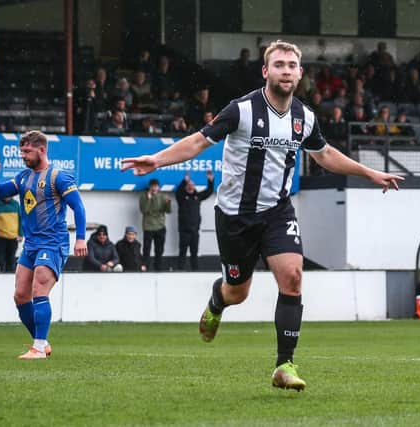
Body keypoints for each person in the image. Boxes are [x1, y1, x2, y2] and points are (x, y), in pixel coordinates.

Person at [121, 40, 403, 391]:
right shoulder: (240, 110)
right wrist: (157, 160)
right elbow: (198, 141)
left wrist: (370, 173)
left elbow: (325, 154)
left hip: (277, 212)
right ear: (266, 71)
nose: (286, 70)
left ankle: (285, 364)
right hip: (235, 217)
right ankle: (216, 301)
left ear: (300, 73)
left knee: (293, 277)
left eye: (292, 65)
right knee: (238, 292)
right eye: (279, 64)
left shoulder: (305, 116)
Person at [0, 130, 87, 359]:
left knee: (39, 288)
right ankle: (41, 341)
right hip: (31, 244)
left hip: (53, 243)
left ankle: (39, 347)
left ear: (42, 150)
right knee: (21, 295)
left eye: (27, 151)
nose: (23, 155)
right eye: (21, 151)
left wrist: (81, 237)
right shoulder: (23, 177)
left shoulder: (58, 177)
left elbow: (78, 207)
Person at [176, 170, 214, 271]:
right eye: (189, 184)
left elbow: (209, 191)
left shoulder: (198, 197)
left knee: (194, 252)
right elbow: (178, 191)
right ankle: (180, 270)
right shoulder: (181, 197)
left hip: (194, 231)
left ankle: (195, 270)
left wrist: (210, 180)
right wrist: (185, 180)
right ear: (186, 186)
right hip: (184, 231)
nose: (191, 186)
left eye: (193, 184)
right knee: (182, 252)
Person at [139, 179, 171, 271]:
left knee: (159, 250)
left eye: (156, 186)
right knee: (146, 249)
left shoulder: (162, 196)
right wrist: (148, 199)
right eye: (152, 186)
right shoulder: (143, 196)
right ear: (149, 187)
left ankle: (158, 268)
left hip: (160, 226)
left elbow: (168, 211)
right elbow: (143, 210)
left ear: (158, 187)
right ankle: (146, 267)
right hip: (148, 226)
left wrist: (168, 203)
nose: (154, 188)